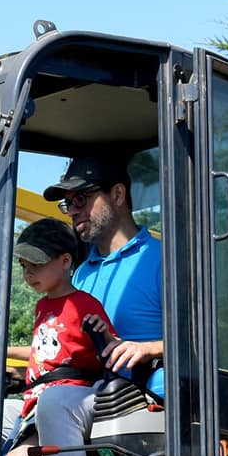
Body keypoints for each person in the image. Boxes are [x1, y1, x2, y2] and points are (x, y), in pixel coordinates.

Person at [2, 217, 116, 456]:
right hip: (40, 397)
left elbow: (110, 349)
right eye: (24, 266)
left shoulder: (84, 304)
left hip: (74, 391)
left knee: (49, 412)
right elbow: (42, 351)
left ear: (65, 262)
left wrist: (107, 339)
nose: (29, 273)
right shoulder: (42, 308)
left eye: (37, 264)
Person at [45, 151, 165, 402]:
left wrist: (147, 349)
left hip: (150, 403)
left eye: (81, 199)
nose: (72, 212)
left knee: (54, 403)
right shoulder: (80, 275)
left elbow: (204, 345)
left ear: (118, 195)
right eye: (68, 204)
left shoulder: (162, 261)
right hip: (94, 395)